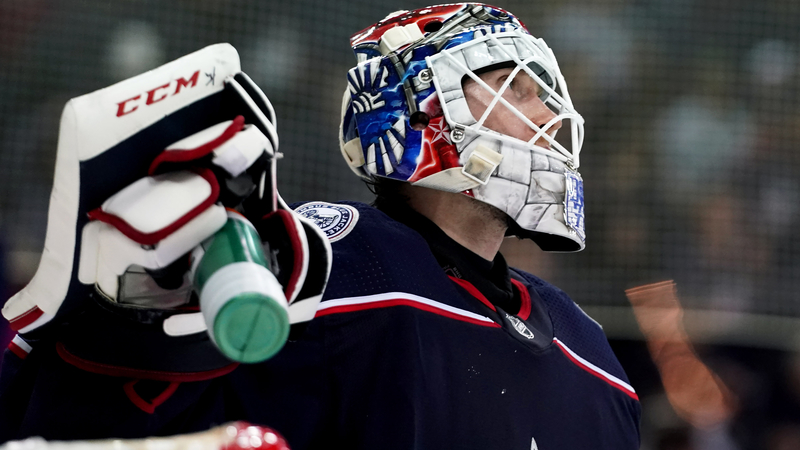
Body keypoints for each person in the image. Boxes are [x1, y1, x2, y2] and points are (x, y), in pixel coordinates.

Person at [0, 4, 640, 449]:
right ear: (419, 111)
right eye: (513, 87)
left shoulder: (595, 356)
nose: (546, 112)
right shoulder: (326, 261)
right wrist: (126, 315)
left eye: (544, 91)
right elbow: (127, 416)